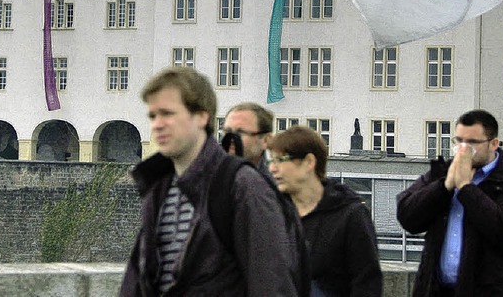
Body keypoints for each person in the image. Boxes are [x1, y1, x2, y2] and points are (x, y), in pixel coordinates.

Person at [119, 67, 297, 296]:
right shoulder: (158, 187)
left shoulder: (243, 185)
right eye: (153, 116)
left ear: (202, 116)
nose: (158, 124)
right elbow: (138, 280)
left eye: (168, 113)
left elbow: (271, 283)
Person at [396, 109, 503, 297]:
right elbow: (407, 216)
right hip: (436, 290)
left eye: (472, 142)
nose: (463, 149)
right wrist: (443, 187)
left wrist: (465, 188)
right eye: (458, 141)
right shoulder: (442, 173)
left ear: (493, 144)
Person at [267, 125, 383, 297]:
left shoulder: (350, 215)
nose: (272, 168)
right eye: (271, 161)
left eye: (280, 160)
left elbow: (367, 284)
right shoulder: (273, 213)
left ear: (309, 162)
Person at [223, 102, 274, 178]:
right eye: (227, 132)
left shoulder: (276, 185)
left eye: (240, 132)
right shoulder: (207, 177)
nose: (231, 139)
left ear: (266, 140)